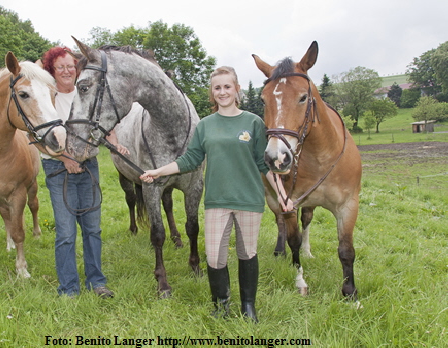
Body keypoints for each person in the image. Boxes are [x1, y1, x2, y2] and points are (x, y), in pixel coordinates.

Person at [140, 66, 292, 322]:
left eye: (227, 86)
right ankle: (221, 305)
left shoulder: (253, 122)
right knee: (214, 255)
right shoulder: (205, 126)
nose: (222, 92)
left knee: (248, 254)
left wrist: (282, 195)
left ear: (236, 89)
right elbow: (189, 159)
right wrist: (158, 171)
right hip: (217, 202)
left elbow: (263, 163)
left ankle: (248, 306)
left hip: (248, 201)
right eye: (217, 87)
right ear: (212, 92)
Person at [36, 46, 128, 298]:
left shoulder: (86, 92)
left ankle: (96, 282)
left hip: (88, 166)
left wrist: (115, 141)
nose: (67, 71)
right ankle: (68, 288)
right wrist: (65, 158)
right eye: (60, 66)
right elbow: (38, 137)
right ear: (51, 70)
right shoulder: (47, 98)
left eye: (70, 66)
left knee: (93, 228)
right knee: (66, 232)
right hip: (57, 168)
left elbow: (104, 121)